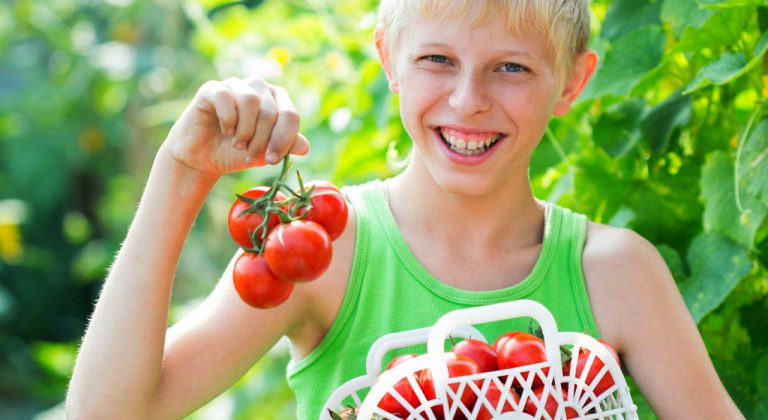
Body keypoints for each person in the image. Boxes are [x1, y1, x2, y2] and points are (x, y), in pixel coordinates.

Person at [66, 0, 744, 419]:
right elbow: (105, 414)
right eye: (437, 59)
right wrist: (180, 174)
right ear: (389, 60)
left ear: (573, 80)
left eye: (511, 68)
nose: (469, 100)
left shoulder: (617, 275)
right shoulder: (327, 254)